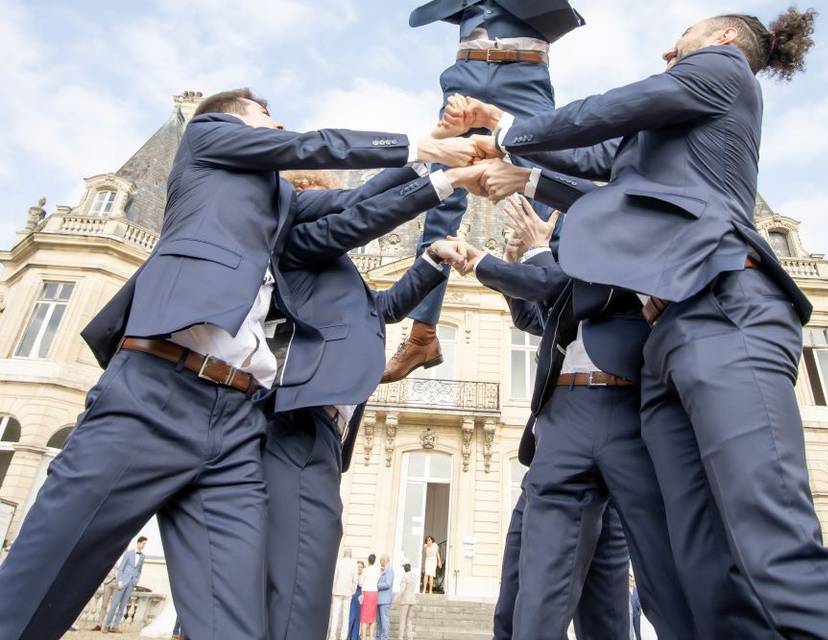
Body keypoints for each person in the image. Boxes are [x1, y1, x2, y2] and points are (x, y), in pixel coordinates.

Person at [460, 7, 828, 638]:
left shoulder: (724, 68)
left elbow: (612, 109)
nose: (667, 51)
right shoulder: (669, 143)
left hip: (727, 307)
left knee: (771, 547)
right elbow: (609, 171)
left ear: (722, 38)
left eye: (679, 39)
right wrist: (522, 170)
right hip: (668, 340)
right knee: (699, 565)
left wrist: (512, 127)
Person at [0, 87, 477, 640]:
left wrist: (441, 172)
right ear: (233, 125)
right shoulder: (204, 141)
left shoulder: (280, 206)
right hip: (155, 390)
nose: (280, 127)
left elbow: (356, 203)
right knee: (36, 592)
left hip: (234, 418)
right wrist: (416, 143)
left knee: (236, 623)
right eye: (268, 118)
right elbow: (314, 148)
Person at [457, 194, 765, 637]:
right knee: (536, 585)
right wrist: (519, 268)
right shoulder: (571, 275)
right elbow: (540, 314)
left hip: (631, 416)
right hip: (564, 417)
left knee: (656, 573)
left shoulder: (631, 249)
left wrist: (509, 260)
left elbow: (560, 285)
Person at [263, 166, 477, 640]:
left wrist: (433, 258)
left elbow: (381, 310)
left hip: (322, 427)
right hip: (298, 418)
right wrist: (430, 173)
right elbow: (355, 216)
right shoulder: (298, 243)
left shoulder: (334, 270)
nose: (339, 199)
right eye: (327, 194)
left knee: (305, 563)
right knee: (300, 568)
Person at [382, 0, 585, 382]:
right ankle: (423, 334)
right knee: (440, 195)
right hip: (466, 73)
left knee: (545, 190)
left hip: (524, 73)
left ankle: (568, 308)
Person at [95, 535, 147, 633]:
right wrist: (119, 582)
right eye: (143, 543)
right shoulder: (128, 553)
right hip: (122, 583)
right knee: (114, 604)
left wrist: (136, 580)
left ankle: (115, 626)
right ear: (139, 543)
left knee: (123, 606)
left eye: (145, 544)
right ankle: (106, 625)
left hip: (131, 583)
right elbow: (121, 568)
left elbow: (139, 570)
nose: (144, 545)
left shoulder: (143, 557)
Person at [331, 549, 361, 640]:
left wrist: (333, 590)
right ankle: (343, 637)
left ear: (344, 554)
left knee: (335, 615)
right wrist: (352, 591)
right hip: (348, 593)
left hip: (337, 591)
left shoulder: (339, 563)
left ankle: (332, 636)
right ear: (351, 555)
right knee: (346, 616)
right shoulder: (354, 564)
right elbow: (355, 580)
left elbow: (335, 576)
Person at [360, 555, 380, 640]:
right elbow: (378, 581)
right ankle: (371, 637)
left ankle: (364, 637)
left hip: (366, 593)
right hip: (374, 593)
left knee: (364, 617)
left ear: (368, 561)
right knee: (373, 616)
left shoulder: (365, 570)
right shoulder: (377, 570)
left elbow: (360, 582)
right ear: (375, 561)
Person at [397, 563, 418, 640]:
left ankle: (401, 638)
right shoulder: (414, 576)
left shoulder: (405, 577)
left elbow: (402, 589)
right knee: (409, 620)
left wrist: (395, 598)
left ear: (404, 569)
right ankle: (410, 637)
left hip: (405, 599)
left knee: (402, 620)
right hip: (412, 599)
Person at [377, 554, 396, 640]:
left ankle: (385, 638)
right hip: (380, 600)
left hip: (385, 600)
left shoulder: (389, 570)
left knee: (384, 622)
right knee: (379, 622)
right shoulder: (384, 570)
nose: (380, 563)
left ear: (384, 560)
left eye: (381, 561)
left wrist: (377, 585)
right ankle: (379, 638)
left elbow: (388, 584)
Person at [349, 561, 365, 640]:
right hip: (352, 597)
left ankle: (354, 637)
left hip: (359, 598)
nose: (359, 568)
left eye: (361, 567)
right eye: (358, 566)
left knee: (357, 618)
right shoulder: (352, 575)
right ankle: (349, 635)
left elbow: (363, 586)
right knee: (351, 617)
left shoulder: (363, 576)